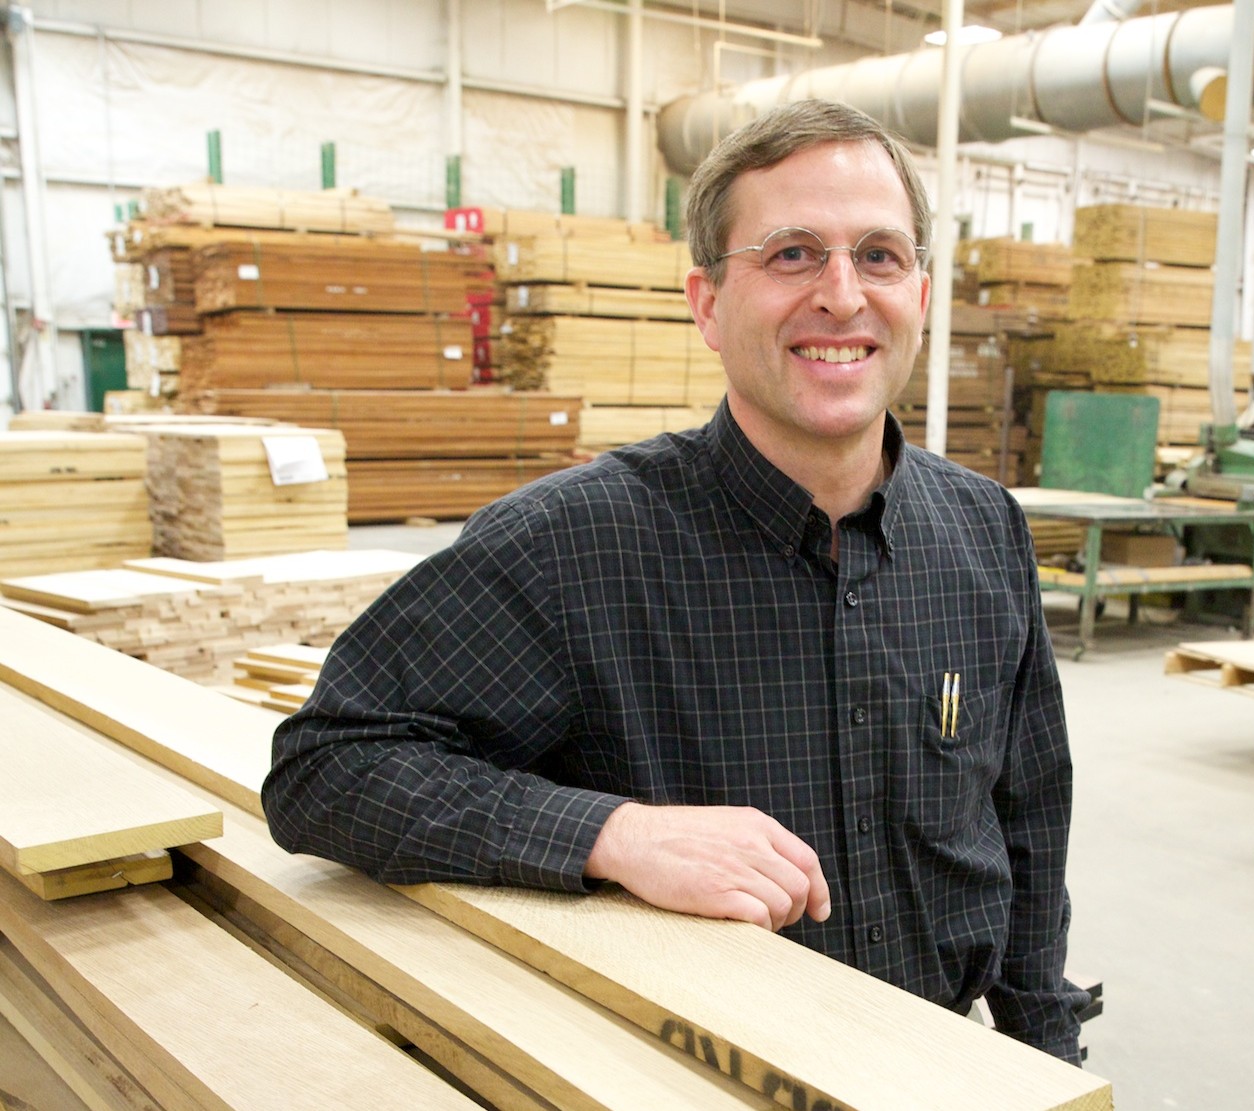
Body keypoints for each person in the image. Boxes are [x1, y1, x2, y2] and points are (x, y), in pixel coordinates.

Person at [263, 98, 1087, 1062]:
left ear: (921, 292)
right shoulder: (574, 546)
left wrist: (1047, 1051)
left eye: (878, 255)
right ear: (706, 303)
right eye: (790, 254)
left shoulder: (982, 531)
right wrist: (613, 834)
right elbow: (326, 765)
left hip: (942, 1060)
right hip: (682, 1073)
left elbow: (1030, 819)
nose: (841, 295)